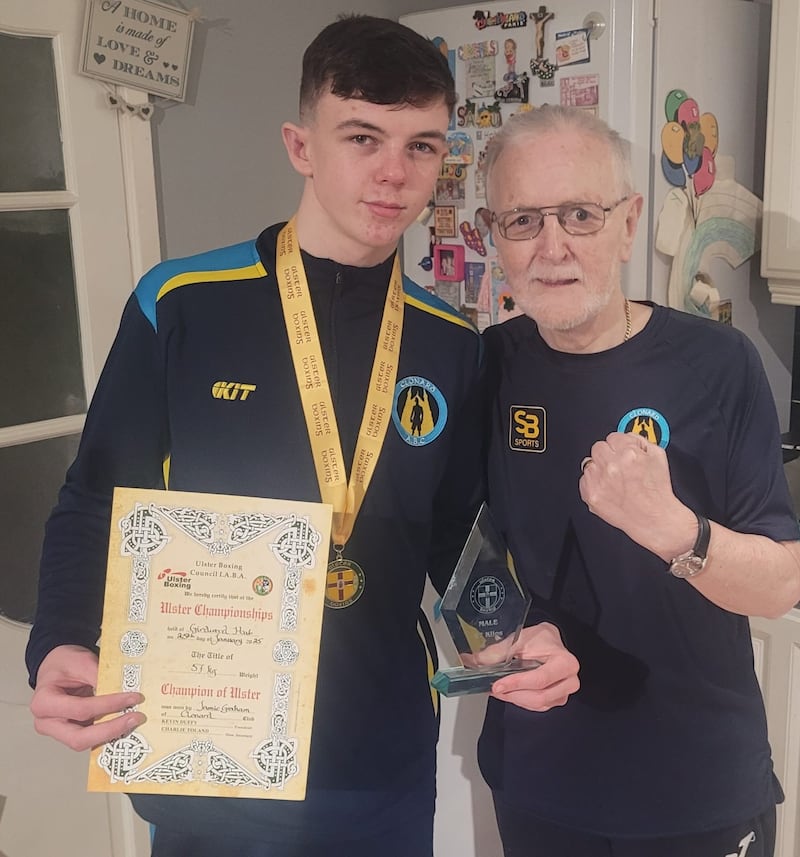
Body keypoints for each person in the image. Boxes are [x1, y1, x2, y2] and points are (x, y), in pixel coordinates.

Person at [25, 16, 575, 857]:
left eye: (422, 146)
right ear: (300, 144)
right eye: (362, 137)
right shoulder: (182, 304)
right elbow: (97, 491)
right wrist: (63, 635)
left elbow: (457, 533)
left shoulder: (448, 340)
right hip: (209, 749)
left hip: (379, 757)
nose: (394, 173)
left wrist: (511, 635)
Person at [479, 104, 800, 857]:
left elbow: (782, 583)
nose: (551, 246)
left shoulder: (718, 364)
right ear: (496, 237)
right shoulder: (488, 365)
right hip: (538, 778)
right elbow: (466, 552)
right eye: (522, 220)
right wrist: (494, 634)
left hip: (695, 787)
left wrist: (675, 531)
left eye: (580, 215)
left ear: (628, 224)